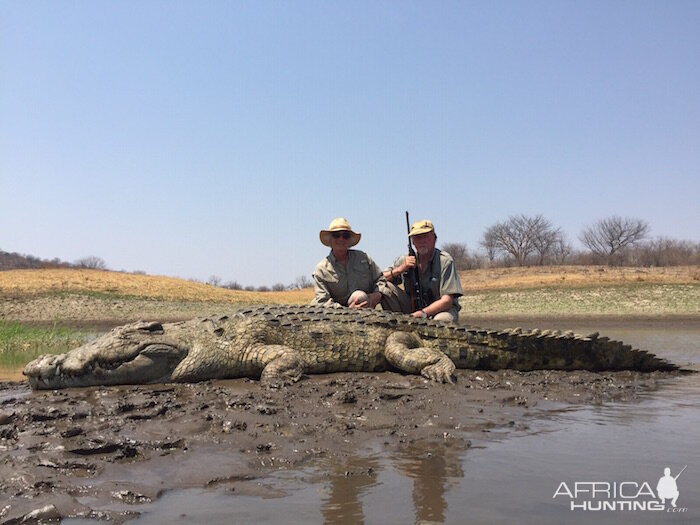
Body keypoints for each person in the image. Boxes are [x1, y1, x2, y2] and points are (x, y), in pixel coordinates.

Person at [382, 219, 463, 322]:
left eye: (425, 236)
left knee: (440, 321)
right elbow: (380, 279)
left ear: (434, 238)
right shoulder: (405, 259)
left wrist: (424, 313)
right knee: (384, 287)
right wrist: (400, 269)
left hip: (441, 310)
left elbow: (447, 301)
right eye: (417, 237)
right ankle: (398, 328)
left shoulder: (445, 261)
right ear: (412, 241)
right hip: (413, 309)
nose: (422, 241)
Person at [311, 218, 389, 308]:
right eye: (336, 235)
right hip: (337, 315)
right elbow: (322, 301)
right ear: (330, 240)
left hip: (366, 307)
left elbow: (380, 279)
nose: (341, 239)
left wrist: (377, 295)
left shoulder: (363, 258)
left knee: (363, 295)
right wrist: (347, 310)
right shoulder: (321, 269)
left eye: (345, 235)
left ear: (349, 240)